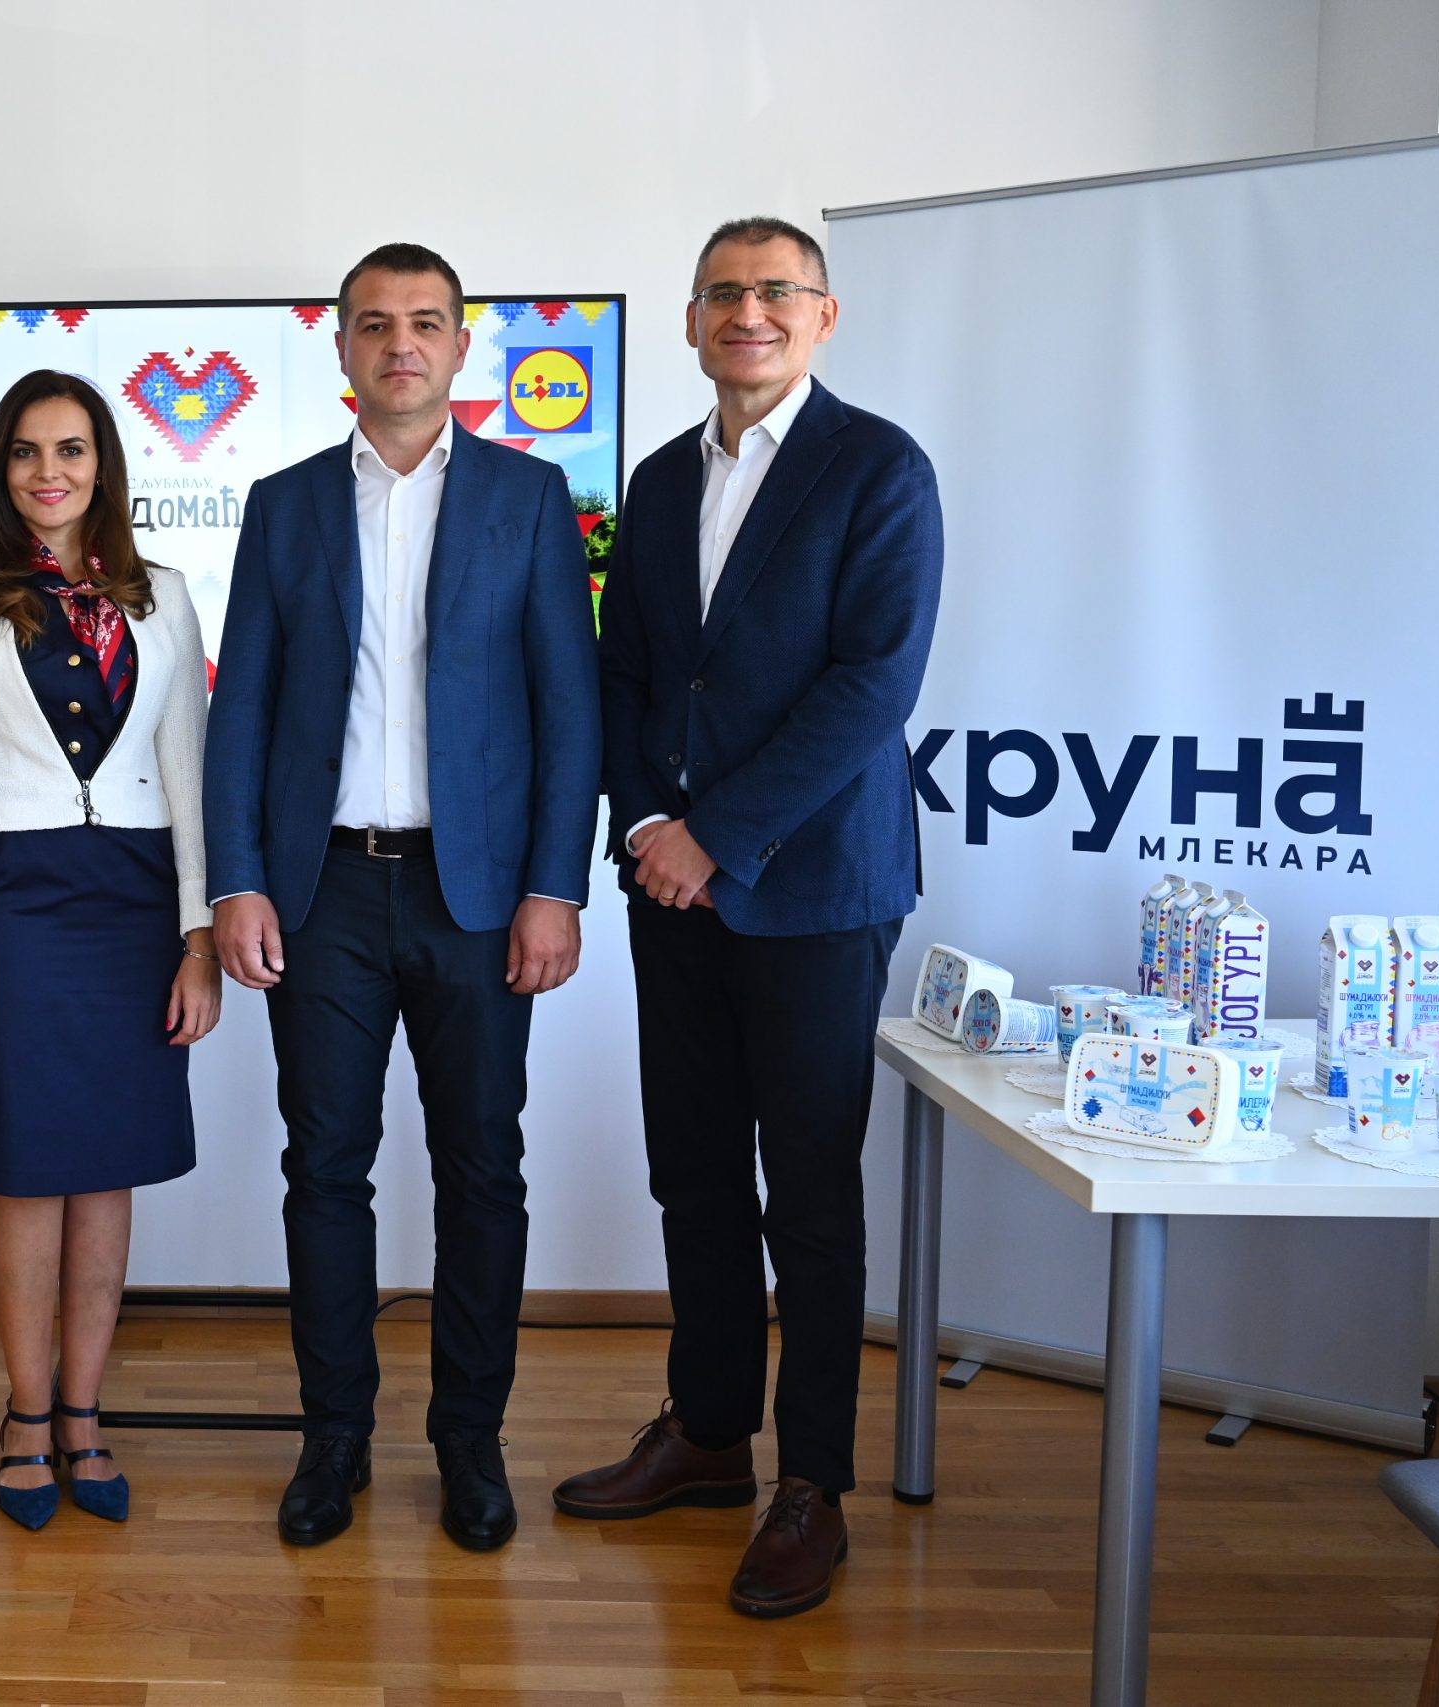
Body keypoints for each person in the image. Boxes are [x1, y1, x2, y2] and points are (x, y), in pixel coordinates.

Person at [553, 216, 944, 1620]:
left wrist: (715, 834)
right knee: (697, 1172)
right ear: (691, 320)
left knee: (812, 1195)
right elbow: (629, 673)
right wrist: (648, 827)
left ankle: (812, 1483)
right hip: (674, 884)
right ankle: (713, 1432)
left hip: (814, 889)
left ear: (823, 316)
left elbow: (871, 685)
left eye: (777, 290)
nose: (749, 311)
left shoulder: (879, 467)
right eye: (724, 292)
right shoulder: (662, 480)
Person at [204, 244, 600, 1553]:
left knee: (482, 1168)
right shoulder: (284, 504)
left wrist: (553, 886)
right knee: (324, 1167)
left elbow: (568, 709)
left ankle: (469, 1440)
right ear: (341, 347)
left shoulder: (528, 498)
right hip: (319, 892)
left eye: (425, 321)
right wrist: (237, 880)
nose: (400, 344)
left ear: (461, 345)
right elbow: (243, 708)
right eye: (374, 324)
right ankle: (334, 1438)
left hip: (476, 897)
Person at [0, 370, 220, 1530]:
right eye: (27, 451)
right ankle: (26, 1415)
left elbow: (188, 771)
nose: (50, 472)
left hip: (133, 902)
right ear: (0, 468)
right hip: (6, 902)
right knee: (28, 1162)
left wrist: (198, 935)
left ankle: (85, 1412)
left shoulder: (162, 595)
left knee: (107, 1163)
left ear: (102, 466)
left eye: (71, 450)